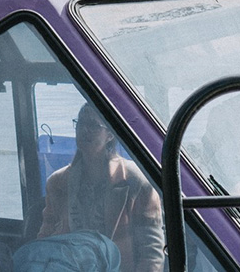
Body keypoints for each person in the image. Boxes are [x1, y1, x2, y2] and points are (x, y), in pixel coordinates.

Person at [38, 104, 164, 272]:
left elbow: (151, 250)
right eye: (80, 123)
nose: (85, 130)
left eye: (93, 125)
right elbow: (45, 238)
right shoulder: (57, 182)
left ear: (110, 134)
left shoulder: (136, 182)